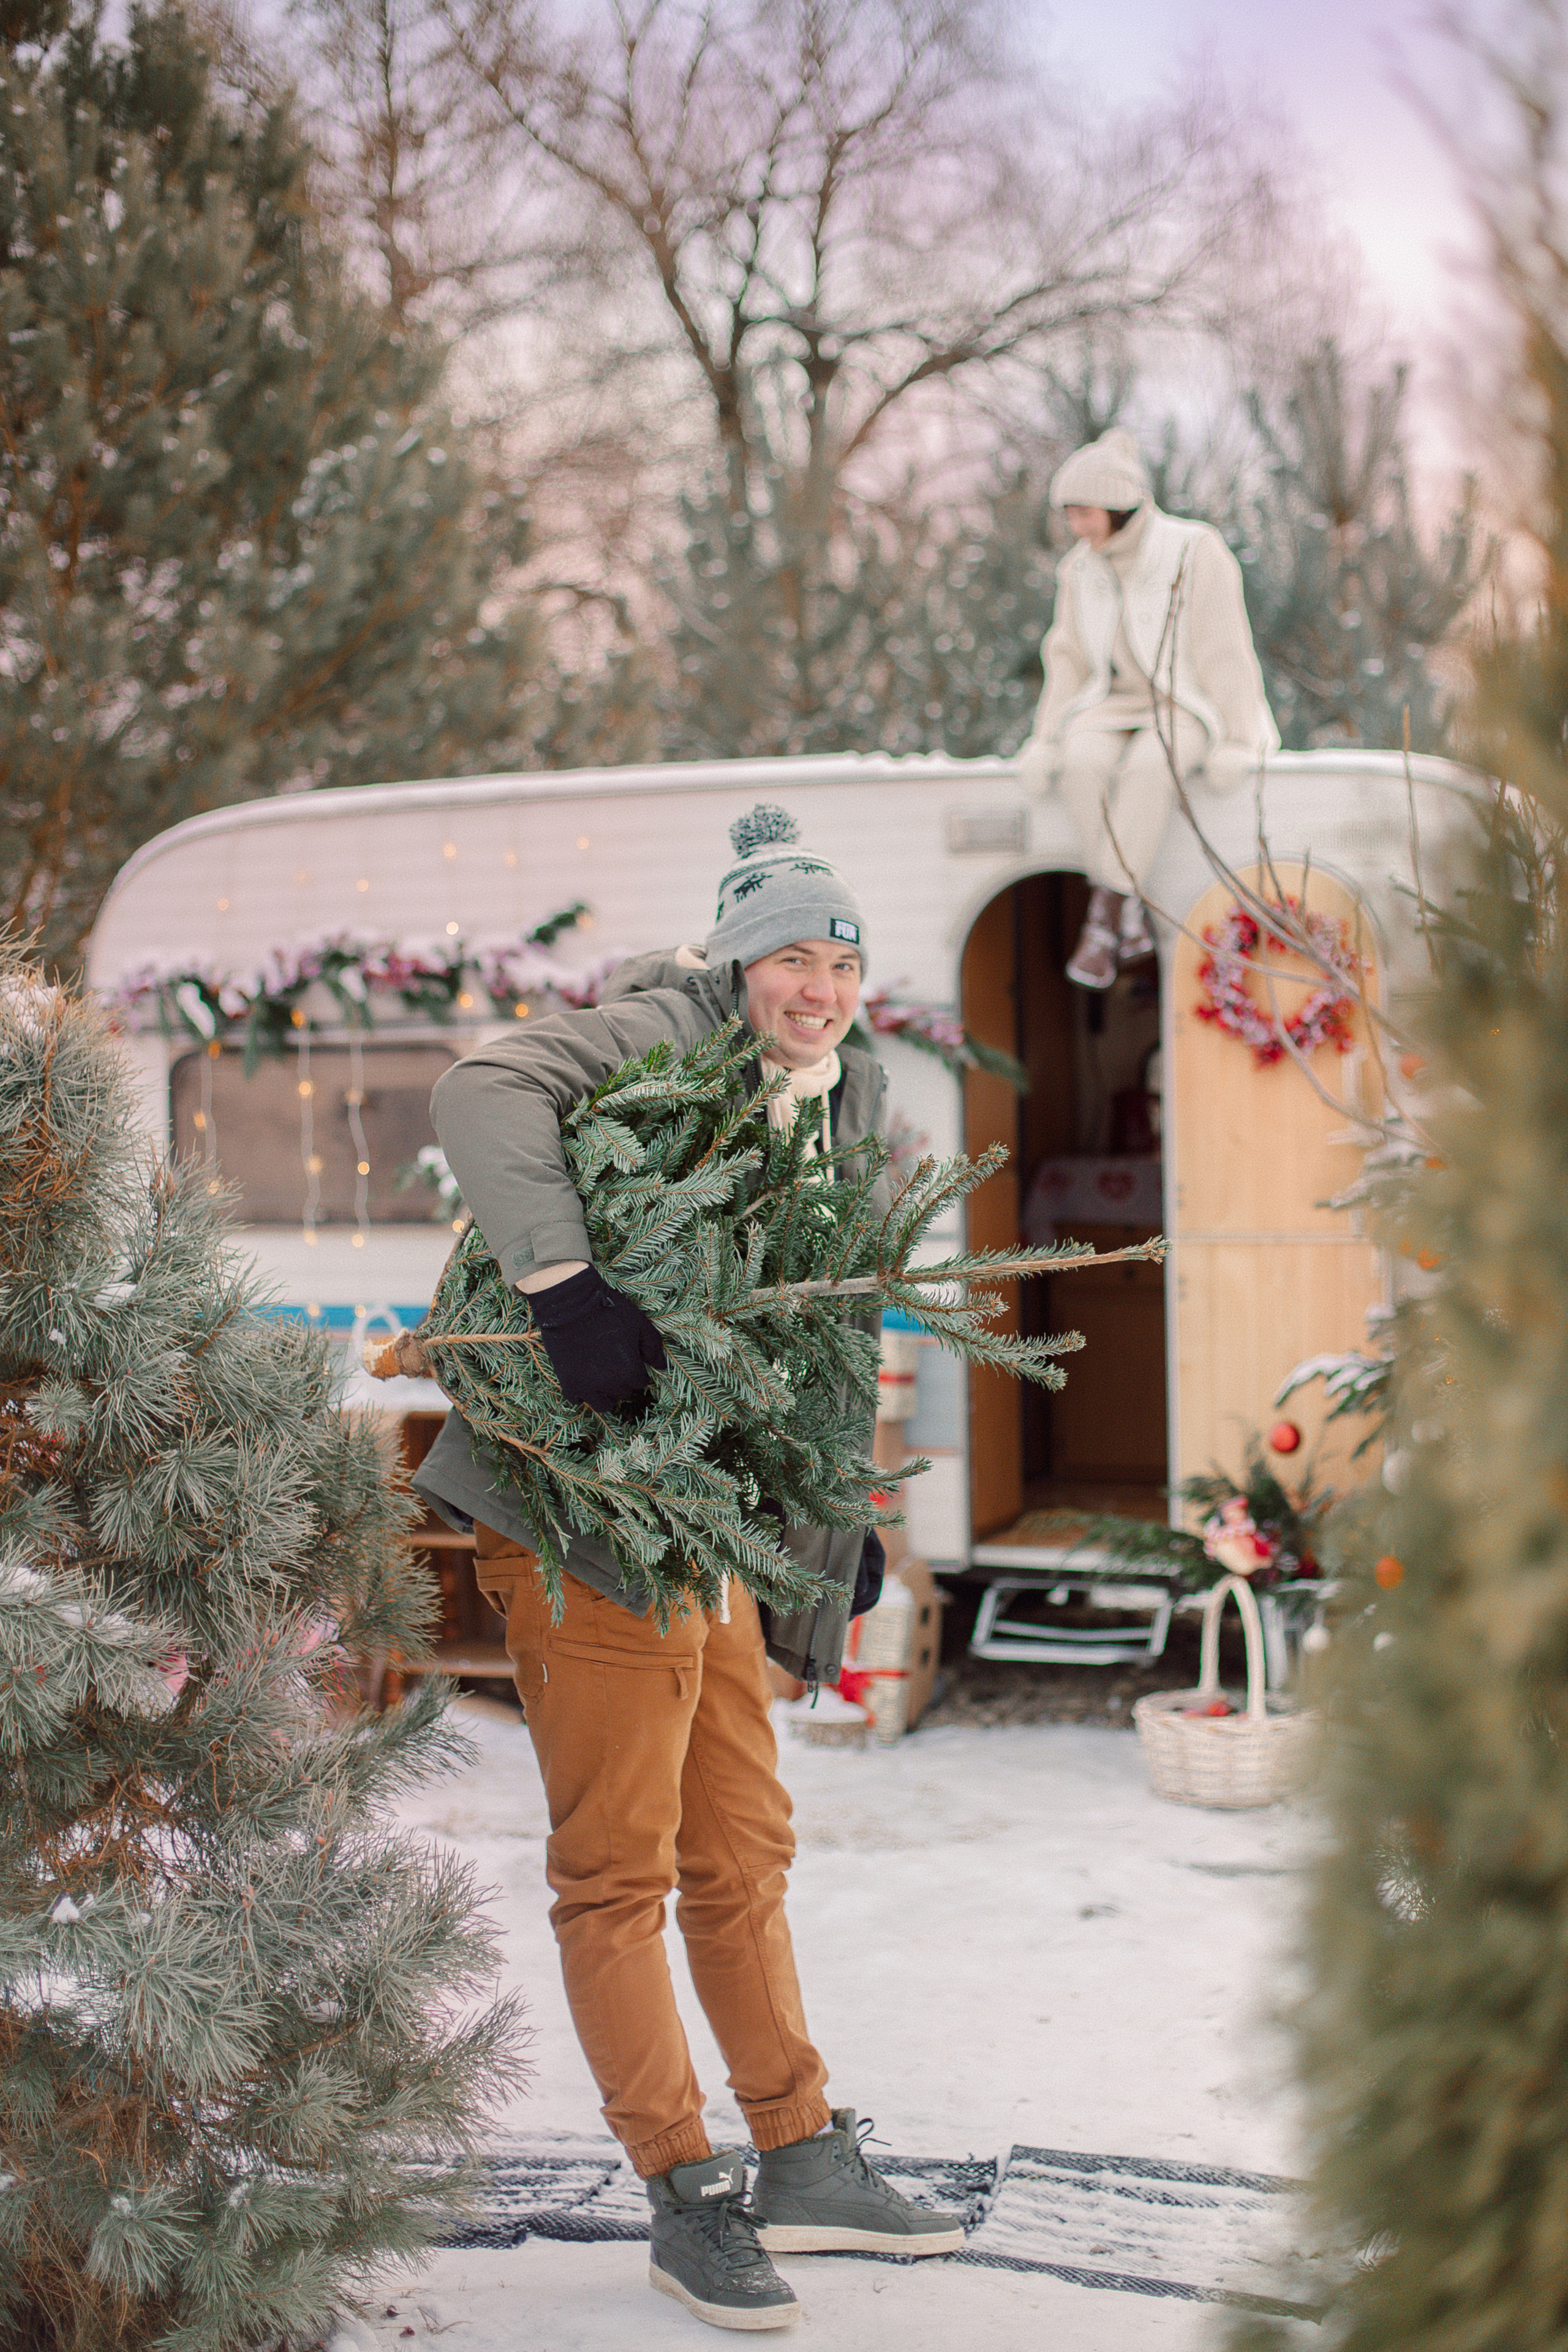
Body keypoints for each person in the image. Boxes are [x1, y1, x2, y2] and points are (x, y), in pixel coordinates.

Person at [412, 805, 963, 2333]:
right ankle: (681, 2187)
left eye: (840, 957)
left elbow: (829, 1326)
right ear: (735, 963)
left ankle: (795, 2146)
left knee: (742, 1847)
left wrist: (828, 1534)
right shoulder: (669, 1028)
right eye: (791, 954)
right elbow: (481, 1083)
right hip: (583, 1511)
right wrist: (565, 1286)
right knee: (619, 1870)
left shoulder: (839, 1094)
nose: (819, 984)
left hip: (712, 1526)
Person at [1017, 426, 1280, 988]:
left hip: (1186, 702)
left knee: (1149, 769)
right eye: (1070, 514)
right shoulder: (1079, 568)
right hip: (1110, 704)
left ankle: (1105, 915)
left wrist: (1239, 736)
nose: (1075, 527)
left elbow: (1223, 647)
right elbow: (1066, 659)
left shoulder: (1193, 549)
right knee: (1082, 765)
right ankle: (1127, 914)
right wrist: (1045, 739)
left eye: (1083, 512)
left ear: (1119, 506)